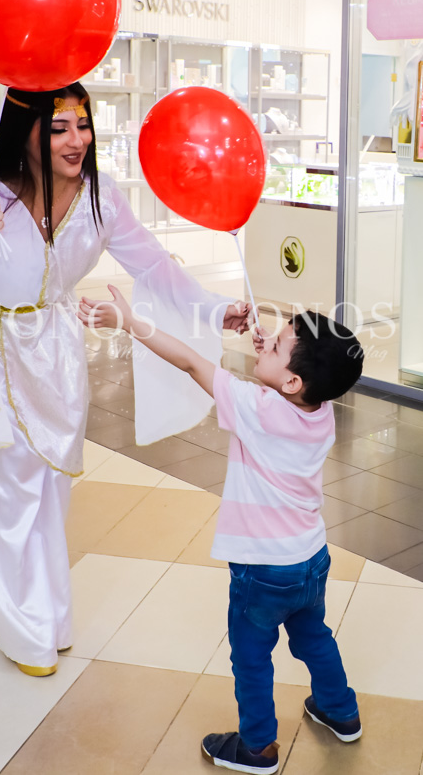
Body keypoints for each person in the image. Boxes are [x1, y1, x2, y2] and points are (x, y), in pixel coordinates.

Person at [0, 82, 251, 676]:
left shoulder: (101, 197)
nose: (76, 140)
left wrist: (215, 309)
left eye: (83, 125)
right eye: (60, 126)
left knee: (48, 498)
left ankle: (48, 615)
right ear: (27, 129)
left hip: (60, 361)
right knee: (8, 497)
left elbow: (155, 268)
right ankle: (26, 632)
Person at [79, 287, 364, 774]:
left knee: (252, 657)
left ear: (293, 380)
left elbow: (191, 363)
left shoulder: (258, 408)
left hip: (263, 568)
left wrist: (129, 321)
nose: (267, 339)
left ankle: (257, 748)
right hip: (310, 558)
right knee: (313, 634)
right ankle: (341, 711)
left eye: (276, 344)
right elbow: (290, 387)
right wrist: (273, 362)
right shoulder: (320, 408)